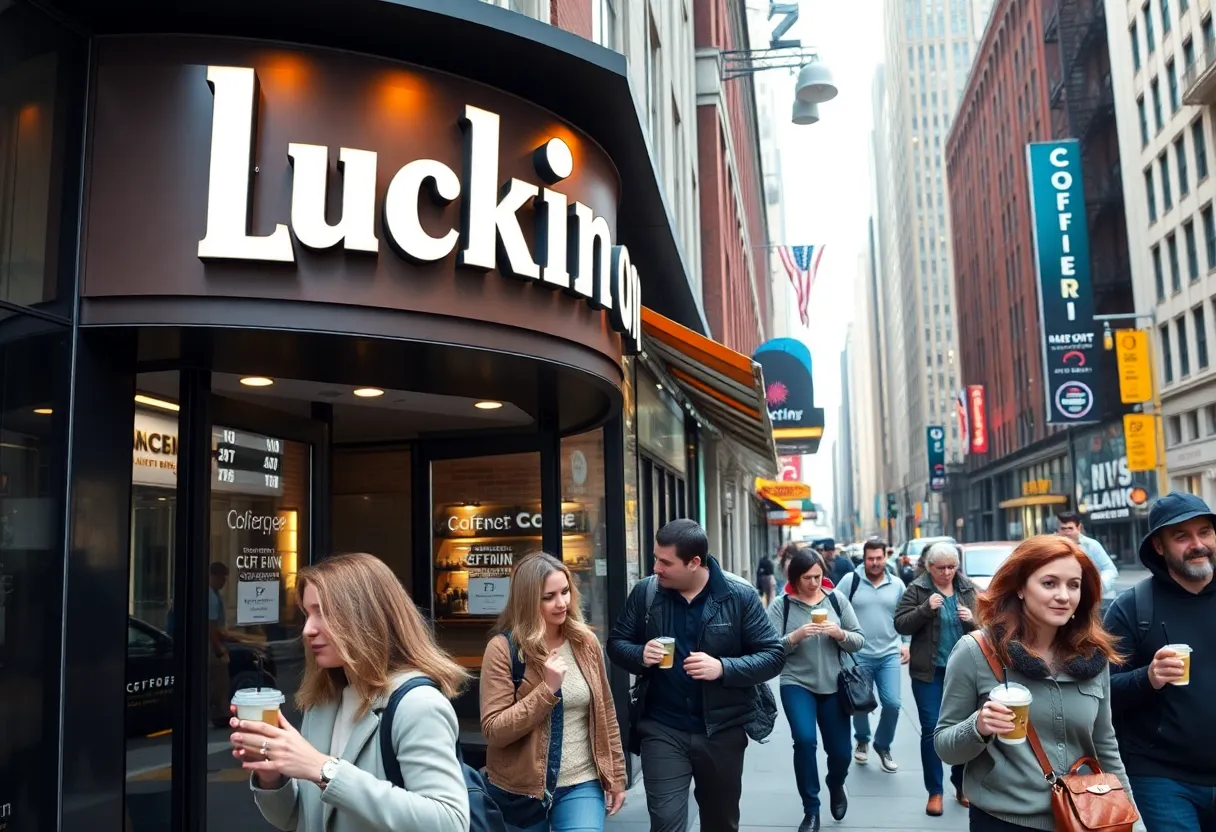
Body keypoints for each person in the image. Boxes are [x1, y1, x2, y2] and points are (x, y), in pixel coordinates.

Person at [230, 552, 471, 832]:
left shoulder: (417, 705)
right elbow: (298, 820)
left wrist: (324, 769)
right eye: (308, 614)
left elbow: (449, 822)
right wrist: (272, 778)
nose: (308, 629)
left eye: (324, 613)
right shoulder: (323, 701)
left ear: (366, 618)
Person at [935, 536, 1140, 831]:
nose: (1063, 596)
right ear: (1020, 587)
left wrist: (1132, 820)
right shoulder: (976, 651)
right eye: (1049, 583)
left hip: (1084, 818)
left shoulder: (1093, 657)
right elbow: (945, 747)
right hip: (1003, 820)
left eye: (1073, 585)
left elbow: (1105, 745)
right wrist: (979, 725)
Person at [606, 519, 784, 832]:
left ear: (694, 563)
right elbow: (617, 643)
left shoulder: (738, 596)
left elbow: (773, 655)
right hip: (662, 727)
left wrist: (723, 668)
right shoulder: (646, 593)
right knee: (665, 823)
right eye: (655, 558)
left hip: (721, 730)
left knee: (721, 823)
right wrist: (640, 654)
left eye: (665, 561)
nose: (656, 568)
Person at [480, 553, 626, 831]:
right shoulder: (503, 649)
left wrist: (616, 776)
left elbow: (605, 711)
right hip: (520, 792)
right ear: (527, 600)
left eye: (565, 591)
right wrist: (546, 689)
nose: (562, 603)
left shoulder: (585, 641)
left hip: (581, 783)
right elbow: (494, 730)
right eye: (549, 597)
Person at [1104, 492, 1216, 831]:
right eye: (1182, 536)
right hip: (1160, 777)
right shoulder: (1132, 608)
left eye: (1205, 532)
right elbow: (1099, 693)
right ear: (1159, 546)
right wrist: (1147, 677)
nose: (1197, 544)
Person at [767, 546, 864, 832]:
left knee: (841, 754)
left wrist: (839, 633)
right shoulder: (782, 605)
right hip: (796, 683)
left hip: (835, 685)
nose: (814, 583)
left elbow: (859, 640)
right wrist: (795, 637)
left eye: (818, 576)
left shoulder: (836, 599)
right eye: (808, 577)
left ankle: (835, 783)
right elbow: (768, 648)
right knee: (805, 741)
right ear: (795, 577)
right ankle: (811, 809)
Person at [894, 542, 979, 817]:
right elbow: (901, 623)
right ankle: (935, 791)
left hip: (963, 672)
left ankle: (961, 784)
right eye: (941, 568)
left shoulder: (967, 589)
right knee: (931, 730)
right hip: (928, 672)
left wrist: (973, 619)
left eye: (951, 567)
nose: (947, 573)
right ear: (929, 567)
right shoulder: (917, 589)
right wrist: (925, 609)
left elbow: (989, 624)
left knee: (964, 728)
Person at [834, 539, 910, 773]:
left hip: (889, 653)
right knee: (859, 704)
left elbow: (905, 616)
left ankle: (882, 745)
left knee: (893, 704)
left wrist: (906, 643)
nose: (875, 563)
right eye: (870, 559)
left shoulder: (897, 584)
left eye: (879, 558)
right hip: (859, 655)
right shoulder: (851, 581)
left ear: (885, 557)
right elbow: (834, 607)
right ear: (864, 559)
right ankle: (863, 739)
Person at [1056, 512, 1119, 614]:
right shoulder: (1052, 547)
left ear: (1079, 528)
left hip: (1096, 600)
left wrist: (1097, 587)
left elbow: (1110, 569)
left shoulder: (1092, 545)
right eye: (1063, 529)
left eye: (1070, 528)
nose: (1067, 533)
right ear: (1058, 530)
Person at [208, 561, 232, 728]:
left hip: (214, 641)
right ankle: (222, 714)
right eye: (221, 577)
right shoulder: (210, 595)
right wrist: (218, 649)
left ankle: (219, 712)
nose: (224, 581)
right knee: (219, 680)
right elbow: (210, 626)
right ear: (213, 576)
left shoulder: (214, 594)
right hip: (211, 645)